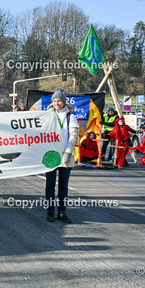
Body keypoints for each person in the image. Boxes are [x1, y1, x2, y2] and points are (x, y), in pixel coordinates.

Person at [45, 88, 78, 224]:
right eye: (54, 101)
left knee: (63, 186)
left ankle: (62, 212)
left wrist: (67, 153)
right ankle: (50, 211)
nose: (56, 103)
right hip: (51, 156)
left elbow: (73, 136)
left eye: (59, 101)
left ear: (63, 102)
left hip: (66, 156)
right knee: (50, 185)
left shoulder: (70, 116)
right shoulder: (47, 116)